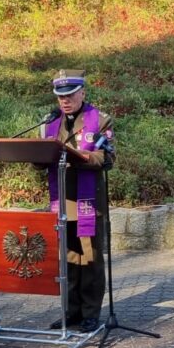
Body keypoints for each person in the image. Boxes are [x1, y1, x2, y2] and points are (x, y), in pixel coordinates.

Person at [44, 69, 114, 333]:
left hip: (88, 202)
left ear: (83, 93)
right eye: (60, 96)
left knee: (90, 260)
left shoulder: (100, 121)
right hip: (62, 200)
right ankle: (71, 311)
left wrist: (79, 156)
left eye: (70, 95)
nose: (65, 101)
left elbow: (107, 159)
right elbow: (43, 156)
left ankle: (90, 313)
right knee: (68, 259)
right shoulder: (51, 123)